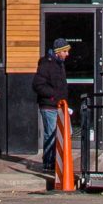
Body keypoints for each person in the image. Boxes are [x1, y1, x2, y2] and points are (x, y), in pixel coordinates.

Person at [32, 40, 74, 170]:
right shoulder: (47, 64)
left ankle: (55, 161)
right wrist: (53, 95)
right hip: (50, 106)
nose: (67, 54)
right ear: (58, 52)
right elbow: (37, 85)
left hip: (60, 105)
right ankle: (49, 163)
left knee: (67, 132)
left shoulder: (59, 64)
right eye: (65, 51)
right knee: (50, 134)